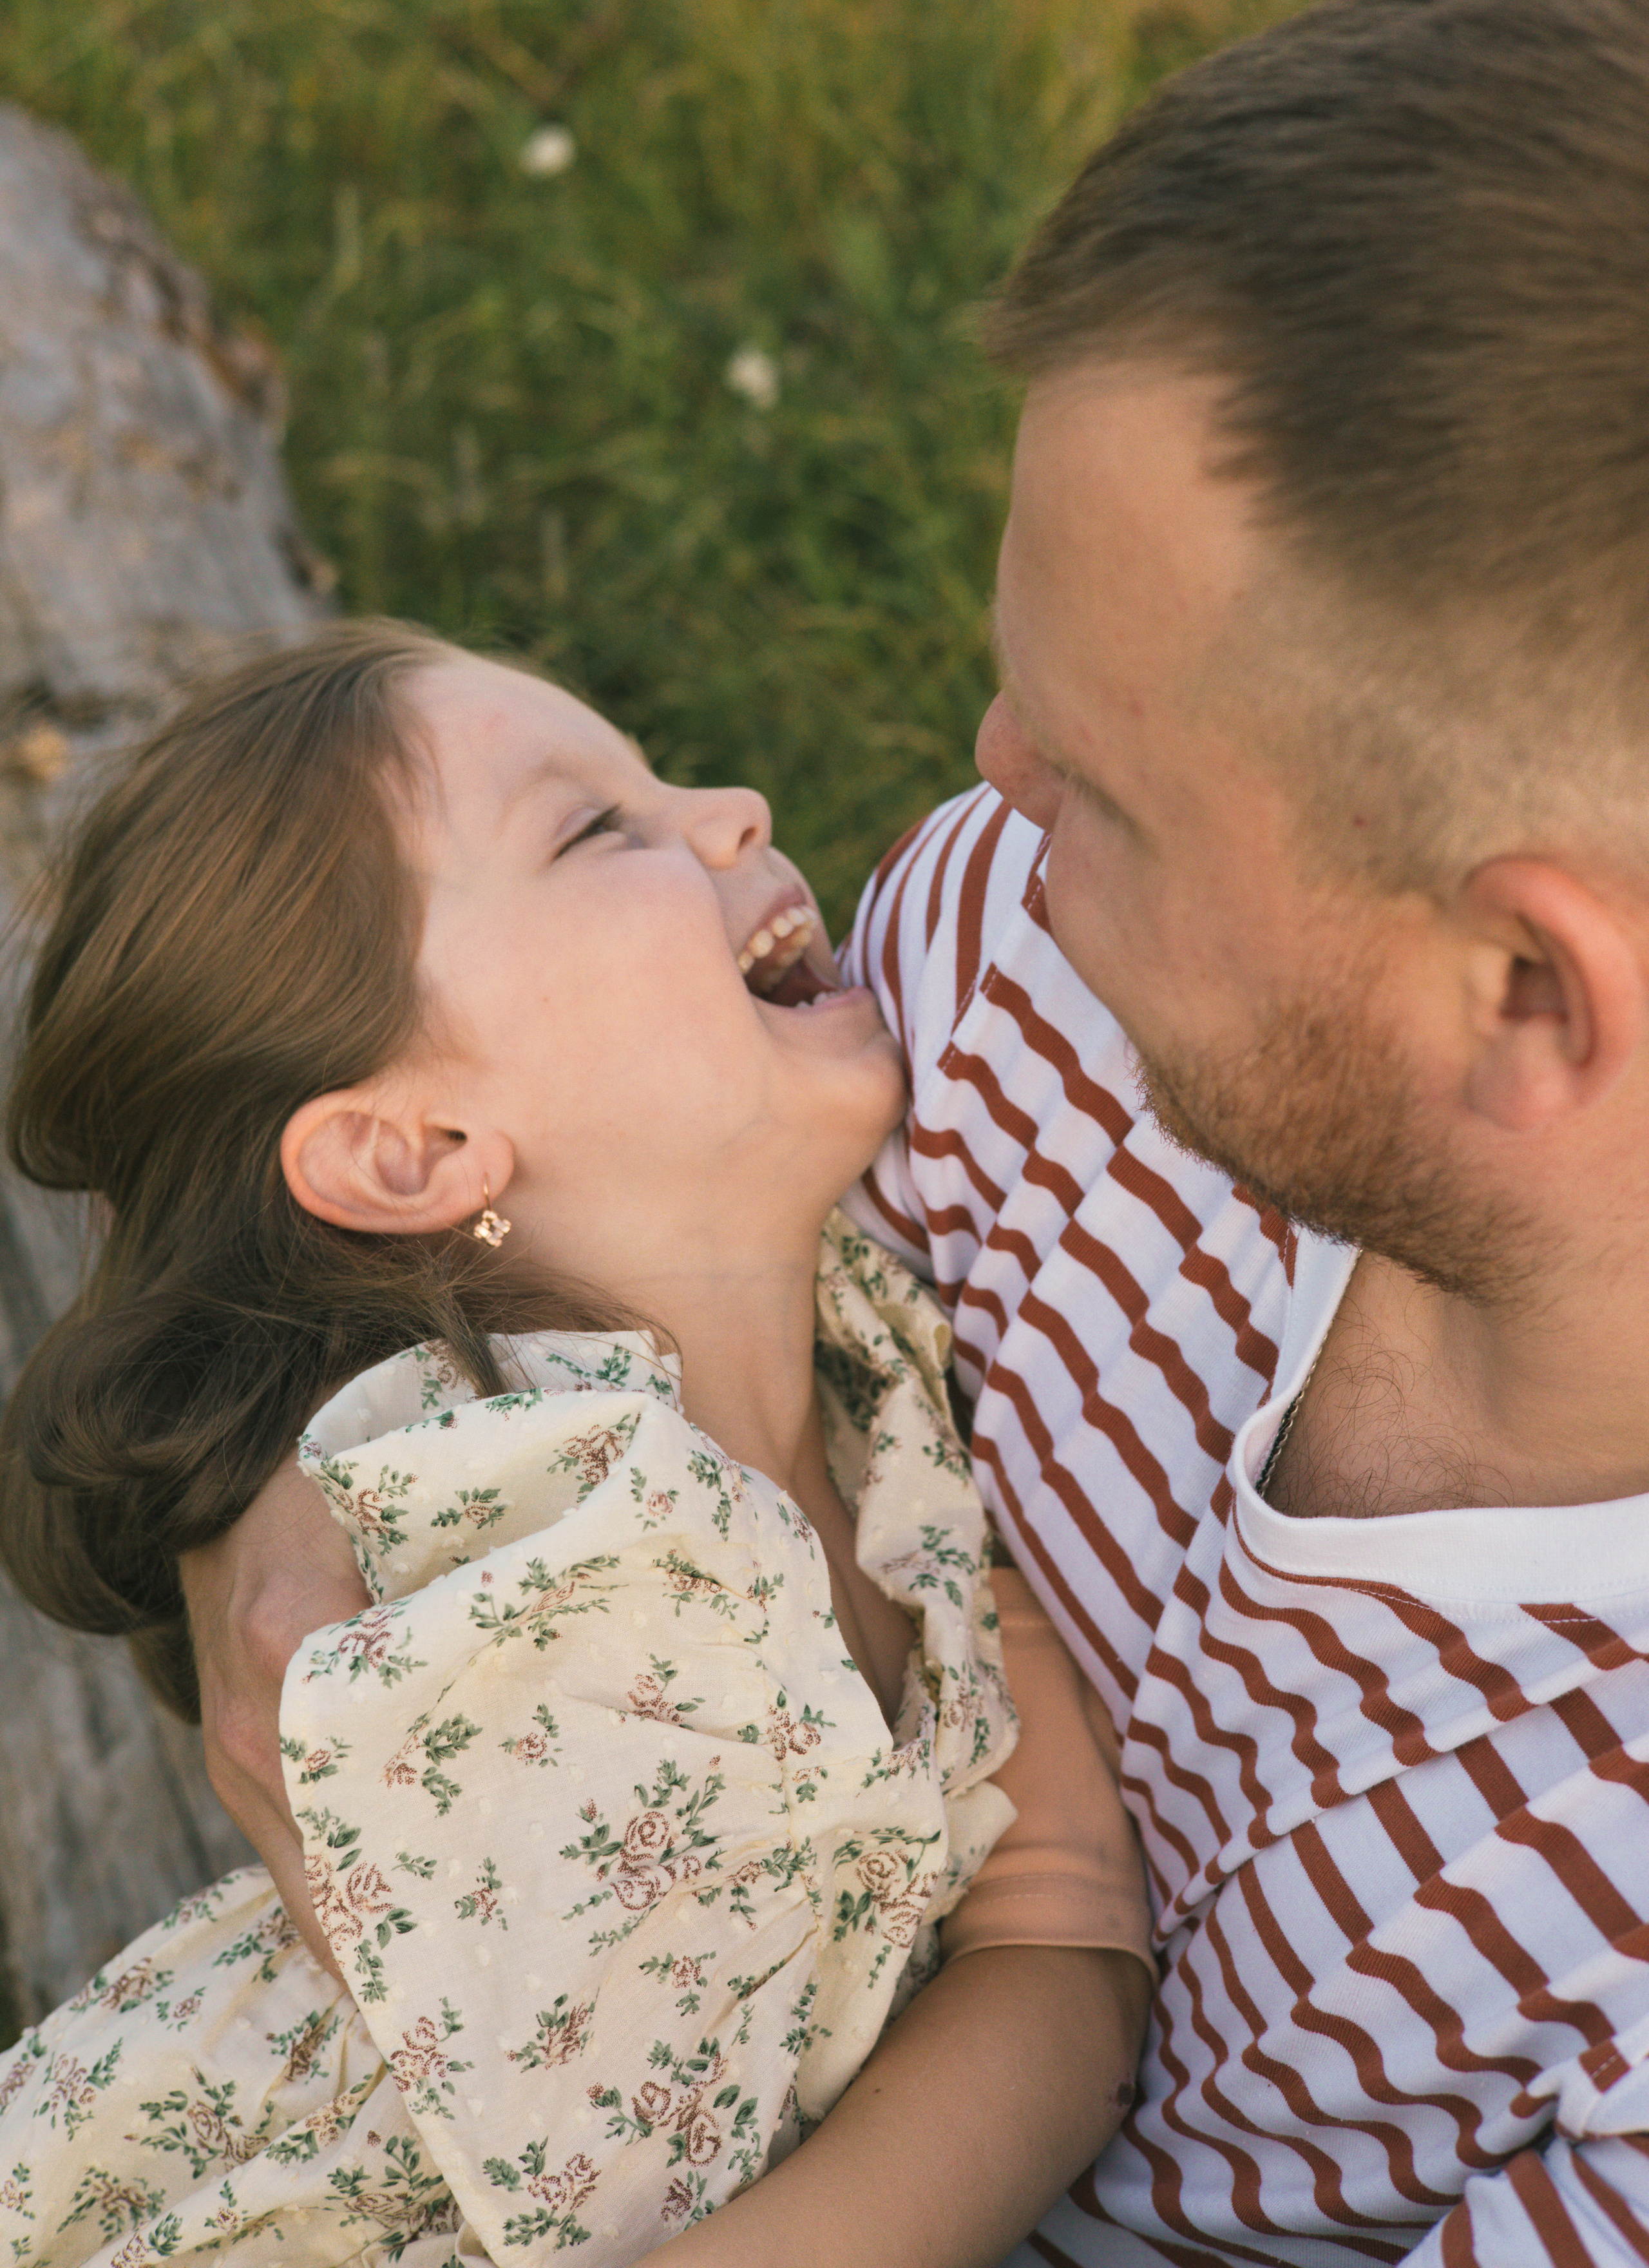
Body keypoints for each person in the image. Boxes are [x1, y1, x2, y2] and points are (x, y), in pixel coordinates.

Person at [187, 0, 1649, 2263]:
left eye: (1105, 786)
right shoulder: (1016, 987)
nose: (975, 795)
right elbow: (592, 1225)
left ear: (1529, 998)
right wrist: (283, 1487)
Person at [0, 628, 1154, 2268]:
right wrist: (1068, 1979)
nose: (740, 806)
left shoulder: (868, 1354)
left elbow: (1062, 1930)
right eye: (597, 826)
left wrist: (1071, 1971)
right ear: (416, 1149)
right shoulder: (514, 1585)